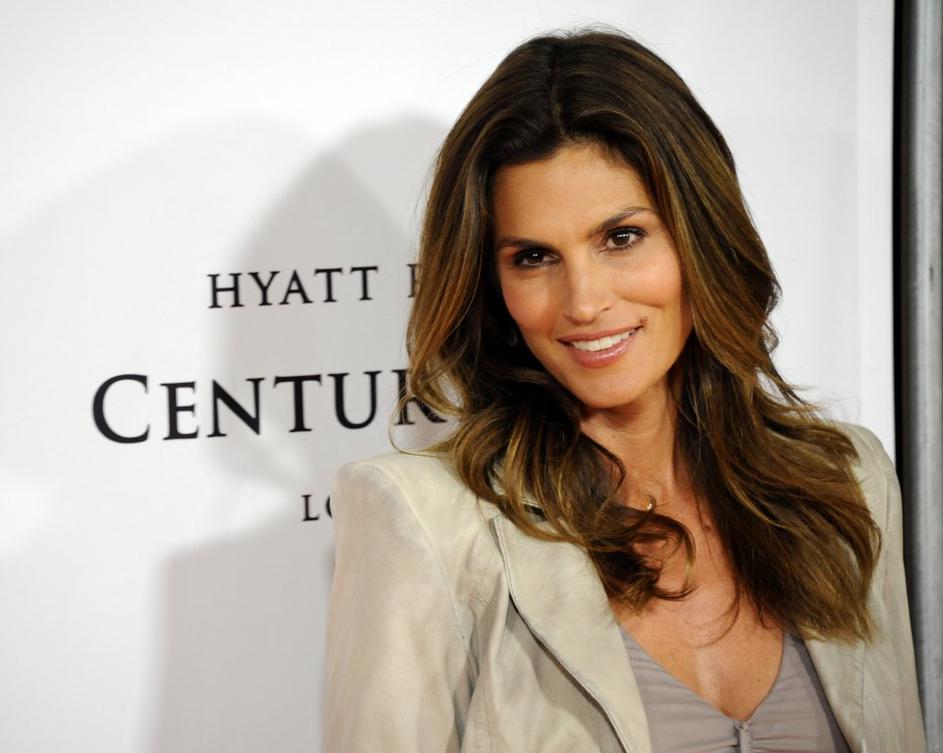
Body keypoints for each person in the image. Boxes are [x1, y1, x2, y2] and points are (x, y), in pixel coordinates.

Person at [322, 28, 926, 753]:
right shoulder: (427, 523)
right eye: (534, 256)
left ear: (698, 235)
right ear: (493, 284)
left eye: (621, 237)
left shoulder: (846, 484)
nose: (583, 302)